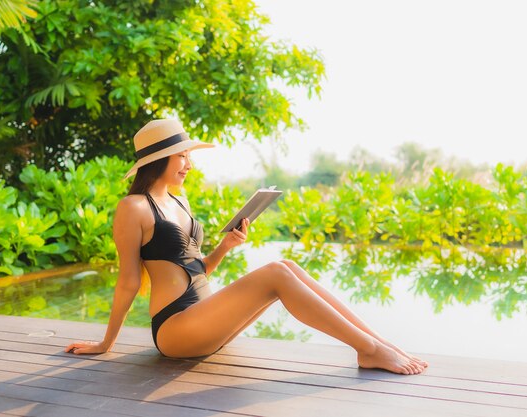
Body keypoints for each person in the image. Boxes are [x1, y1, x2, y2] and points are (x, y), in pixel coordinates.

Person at [64, 119, 428, 375]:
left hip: (205, 317)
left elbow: (196, 269)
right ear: (159, 159)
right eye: (182, 156)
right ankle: (369, 350)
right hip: (176, 330)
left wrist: (225, 246)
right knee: (274, 274)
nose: (189, 164)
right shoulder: (134, 208)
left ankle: (379, 344)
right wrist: (106, 344)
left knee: (285, 266)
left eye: (189, 156)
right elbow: (129, 281)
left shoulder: (180, 201)